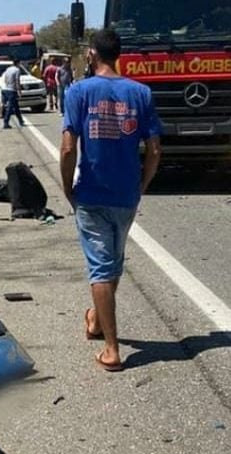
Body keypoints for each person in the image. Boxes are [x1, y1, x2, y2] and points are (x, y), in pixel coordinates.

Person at [60, 28, 162, 372]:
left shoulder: (78, 92)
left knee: (101, 269)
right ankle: (95, 320)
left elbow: (68, 148)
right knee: (112, 263)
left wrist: (67, 187)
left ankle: (112, 349)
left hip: (92, 193)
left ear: (92, 54)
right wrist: (142, 185)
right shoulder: (141, 93)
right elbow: (155, 150)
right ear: (119, 55)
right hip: (126, 195)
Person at [1, 62, 25, 129]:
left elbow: (5, 79)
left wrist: (7, 85)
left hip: (5, 89)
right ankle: (6, 123)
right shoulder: (17, 70)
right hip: (12, 90)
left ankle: (21, 120)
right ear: (18, 63)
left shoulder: (8, 69)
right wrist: (19, 90)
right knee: (10, 107)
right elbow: (17, 80)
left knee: (16, 106)